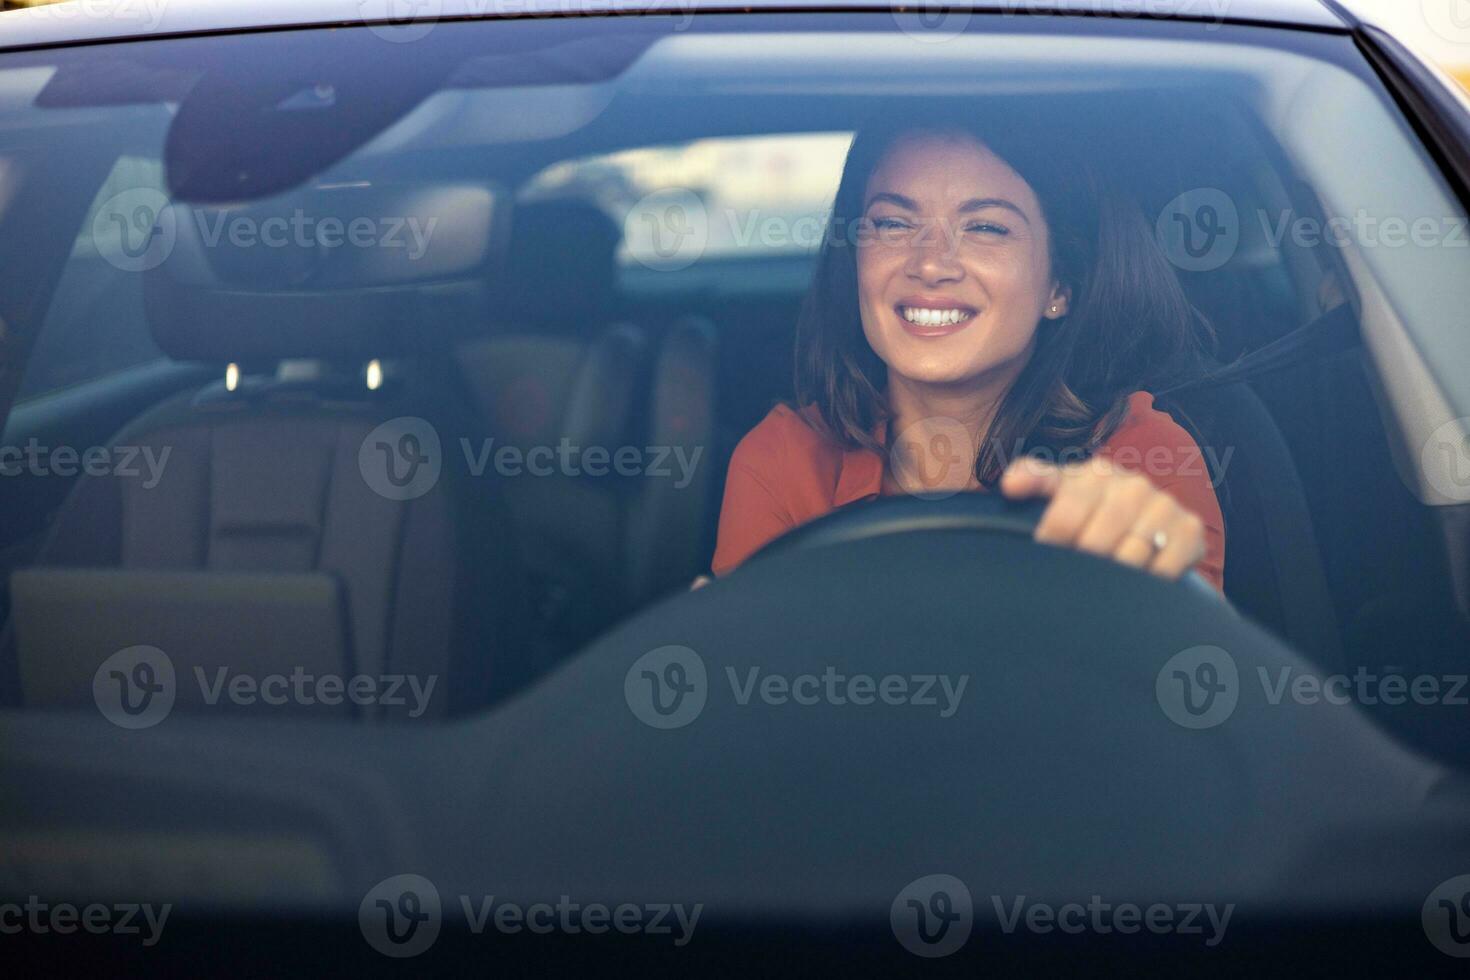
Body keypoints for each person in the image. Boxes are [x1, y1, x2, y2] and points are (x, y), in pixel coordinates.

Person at [707, 120, 1225, 590]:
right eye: (893, 224)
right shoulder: (782, 462)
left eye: (985, 228)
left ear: (1060, 286)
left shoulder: (1140, 461)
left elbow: (1179, 680)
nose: (931, 264)